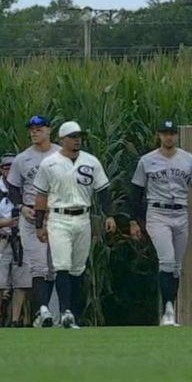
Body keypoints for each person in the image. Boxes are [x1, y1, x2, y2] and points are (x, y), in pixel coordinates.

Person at [33, 120, 116, 329]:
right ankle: (65, 311)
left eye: (79, 136)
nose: (77, 140)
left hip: (83, 217)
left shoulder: (91, 161)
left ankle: (74, 314)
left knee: (78, 268)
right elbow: (41, 196)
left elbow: (103, 191)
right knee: (62, 264)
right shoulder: (49, 163)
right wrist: (39, 224)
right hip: (59, 218)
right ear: (62, 140)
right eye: (72, 137)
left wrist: (110, 215)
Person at [129, 119, 192, 327]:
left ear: (177, 135)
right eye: (165, 133)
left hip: (181, 213)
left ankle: (170, 309)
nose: (169, 137)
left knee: (176, 267)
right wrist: (134, 220)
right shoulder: (147, 160)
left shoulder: (188, 159)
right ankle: (167, 310)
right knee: (166, 260)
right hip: (157, 212)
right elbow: (136, 192)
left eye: (172, 133)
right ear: (159, 135)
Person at [7, 115, 61, 328]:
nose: (34, 132)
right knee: (38, 266)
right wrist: (21, 207)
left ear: (49, 130)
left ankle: (54, 313)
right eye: (32, 129)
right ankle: (44, 311)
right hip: (30, 216)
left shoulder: (60, 154)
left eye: (39, 128)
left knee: (55, 266)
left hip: (56, 215)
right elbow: (13, 187)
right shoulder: (22, 158)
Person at [0, 153, 33, 327]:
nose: (10, 170)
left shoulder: (26, 189)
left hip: (23, 239)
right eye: (6, 167)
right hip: (2, 239)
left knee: (23, 281)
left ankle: (15, 318)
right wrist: (12, 222)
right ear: (1, 169)